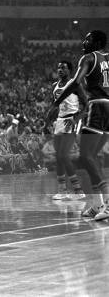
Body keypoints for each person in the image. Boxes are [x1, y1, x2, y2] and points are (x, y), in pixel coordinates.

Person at [49, 30, 109, 220]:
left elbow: (76, 82)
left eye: (88, 39)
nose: (84, 42)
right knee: (91, 157)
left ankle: (106, 203)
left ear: (97, 42)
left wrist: (56, 104)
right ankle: (97, 204)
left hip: (97, 106)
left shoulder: (88, 58)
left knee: (85, 156)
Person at [48, 61, 86, 201]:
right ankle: (62, 190)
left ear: (70, 70)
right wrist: (49, 120)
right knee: (58, 156)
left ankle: (78, 190)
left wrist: (76, 118)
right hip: (59, 120)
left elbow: (86, 105)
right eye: (58, 67)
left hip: (72, 119)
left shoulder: (75, 85)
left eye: (63, 68)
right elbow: (55, 106)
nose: (60, 70)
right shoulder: (54, 86)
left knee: (64, 155)